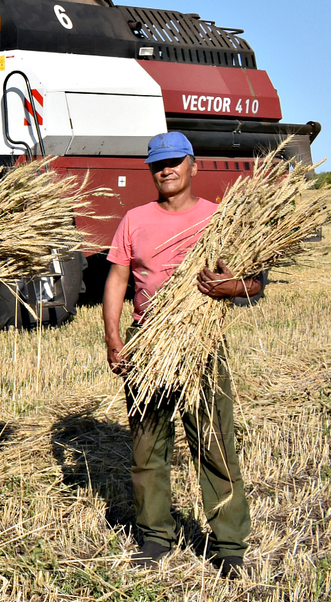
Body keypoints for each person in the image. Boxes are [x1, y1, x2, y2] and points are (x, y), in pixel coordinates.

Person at [103, 132, 259, 578]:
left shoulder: (219, 219)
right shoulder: (134, 219)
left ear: (194, 165)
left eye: (174, 162)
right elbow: (116, 280)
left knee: (214, 443)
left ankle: (229, 542)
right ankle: (155, 535)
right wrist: (114, 337)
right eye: (157, 164)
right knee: (148, 445)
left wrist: (234, 287)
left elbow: (255, 282)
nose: (165, 170)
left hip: (203, 346)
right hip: (148, 344)